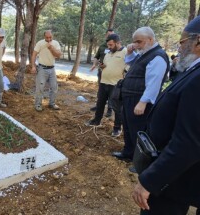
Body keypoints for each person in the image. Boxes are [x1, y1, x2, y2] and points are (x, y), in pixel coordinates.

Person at [132, 16, 200, 214]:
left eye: (182, 42)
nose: (179, 47)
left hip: (172, 181)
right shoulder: (193, 69)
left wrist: (150, 181)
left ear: (198, 41)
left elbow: (188, 142)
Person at [112, 27, 169, 161]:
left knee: (137, 130)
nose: (136, 45)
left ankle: (139, 161)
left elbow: (154, 83)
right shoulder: (145, 53)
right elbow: (131, 63)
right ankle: (128, 153)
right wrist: (131, 52)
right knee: (127, 127)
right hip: (130, 98)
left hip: (139, 100)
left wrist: (143, 102)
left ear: (150, 39)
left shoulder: (158, 56)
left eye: (139, 42)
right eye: (134, 42)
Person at [85, 34, 126, 137]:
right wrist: (102, 66)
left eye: (111, 45)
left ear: (118, 43)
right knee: (100, 103)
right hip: (104, 82)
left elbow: (128, 68)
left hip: (116, 85)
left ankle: (117, 128)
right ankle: (96, 121)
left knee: (117, 107)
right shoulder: (108, 53)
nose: (109, 47)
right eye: (108, 45)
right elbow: (105, 65)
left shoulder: (125, 52)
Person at [30, 30, 62, 112]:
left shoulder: (55, 43)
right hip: (42, 69)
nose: (49, 39)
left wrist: (51, 48)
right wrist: (33, 66)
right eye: (47, 37)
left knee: (54, 87)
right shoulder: (40, 43)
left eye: (50, 37)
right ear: (44, 37)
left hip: (52, 69)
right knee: (40, 88)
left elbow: (58, 55)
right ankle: (38, 104)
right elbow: (34, 55)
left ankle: (52, 103)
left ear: (52, 36)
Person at [89, 28, 115, 117]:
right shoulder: (102, 46)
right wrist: (94, 65)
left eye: (112, 35)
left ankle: (109, 109)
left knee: (111, 91)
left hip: (112, 74)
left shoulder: (116, 47)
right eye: (108, 35)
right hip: (101, 72)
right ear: (106, 35)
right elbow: (97, 57)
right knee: (101, 90)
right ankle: (99, 106)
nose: (110, 36)